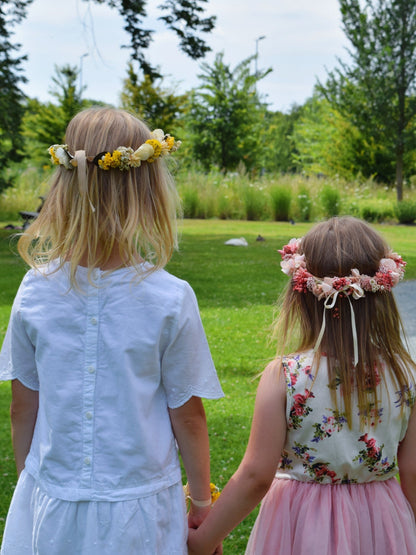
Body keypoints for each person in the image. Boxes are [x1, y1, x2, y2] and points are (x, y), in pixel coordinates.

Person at [0, 107, 224, 554]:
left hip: (53, 498)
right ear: (148, 193)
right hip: (140, 509)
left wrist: (32, 483)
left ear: (63, 186)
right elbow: (188, 416)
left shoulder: (34, 291)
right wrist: (201, 502)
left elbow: (23, 403)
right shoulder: (170, 297)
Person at [188, 216, 416, 555]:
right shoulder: (405, 375)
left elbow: (255, 477)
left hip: (302, 521)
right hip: (380, 520)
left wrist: (203, 541)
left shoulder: (286, 375)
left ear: (301, 297)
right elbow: (412, 469)